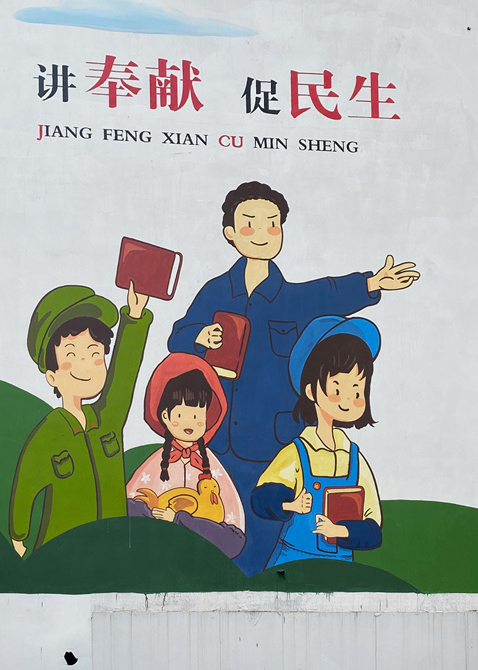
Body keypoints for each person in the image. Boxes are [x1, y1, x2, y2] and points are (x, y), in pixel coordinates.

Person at [168, 180, 418, 575]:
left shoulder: (291, 299)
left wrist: (371, 283)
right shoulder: (216, 292)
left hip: (275, 442)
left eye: (272, 223)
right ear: (230, 233)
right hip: (217, 438)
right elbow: (178, 337)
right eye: (250, 223)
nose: (262, 233)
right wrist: (200, 336)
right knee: (218, 527)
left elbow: (329, 293)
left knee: (266, 532)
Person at [9, 281, 151, 556]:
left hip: (114, 549)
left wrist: (134, 317)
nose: (86, 364)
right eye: (72, 354)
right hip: (64, 553)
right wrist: (18, 536)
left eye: (95, 353)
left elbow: (125, 371)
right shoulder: (49, 432)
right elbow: (25, 485)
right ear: (52, 375)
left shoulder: (107, 418)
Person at [252, 315, 382, 567]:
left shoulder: (354, 459)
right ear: (311, 390)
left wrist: (340, 531)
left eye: (357, 390)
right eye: (337, 389)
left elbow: (373, 526)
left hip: (341, 564)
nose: (348, 400)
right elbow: (261, 498)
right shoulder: (297, 453)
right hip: (293, 560)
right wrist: (291, 504)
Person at [126, 354, 245, 559]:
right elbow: (129, 509)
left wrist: (180, 520)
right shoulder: (155, 464)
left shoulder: (213, 467)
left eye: (198, 416)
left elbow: (235, 537)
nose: (190, 423)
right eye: (181, 415)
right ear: (165, 416)